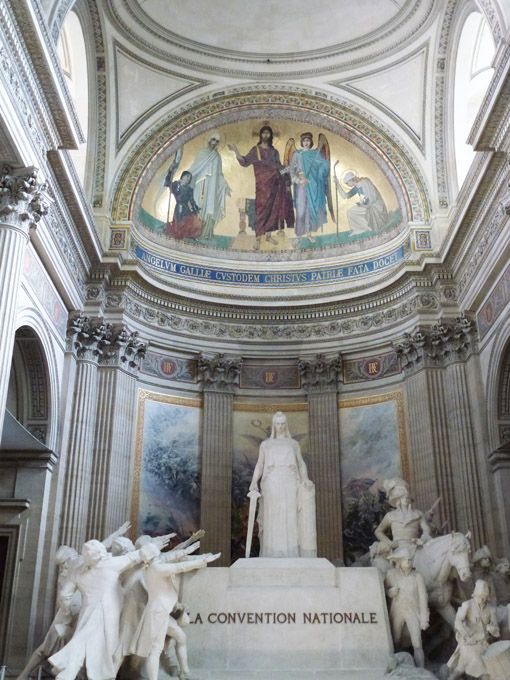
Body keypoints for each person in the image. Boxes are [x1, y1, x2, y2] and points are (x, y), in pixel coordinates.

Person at [48, 539, 147, 680]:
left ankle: (70, 670)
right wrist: (153, 548)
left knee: (82, 641)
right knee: (105, 648)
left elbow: (64, 595)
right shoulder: (111, 564)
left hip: (87, 612)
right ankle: (82, 672)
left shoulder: (78, 572)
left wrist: (66, 613)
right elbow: (136, 556)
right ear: (101, 552)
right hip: (109, 613)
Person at [129, 542, 220, 680]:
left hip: (161, 611)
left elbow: (171, 558)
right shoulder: (156, 568)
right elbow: (179, 567)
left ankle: (184, 672)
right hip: (158, 612)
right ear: (153, 553)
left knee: (181, 637)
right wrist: (203, 561)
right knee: (155, 649)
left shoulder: (151, 566)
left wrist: (188, 549)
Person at [248, 411, 316, 558]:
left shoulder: (293, 444)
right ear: (274, 425)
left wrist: (305, 479)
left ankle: (291, 551)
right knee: (273, 516)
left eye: (283, 423)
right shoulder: (266, 445)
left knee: (290, 515)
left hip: (290, 481)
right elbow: (259, 465)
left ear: (286, 424)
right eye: (278, 423)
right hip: (271, 482)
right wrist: (254, 482)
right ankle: (271, 552)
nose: (280, 426)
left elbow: (301, 464)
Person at [228, 125, 294, 250]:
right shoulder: (255, 150)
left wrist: (288, 169)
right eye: (263, 133)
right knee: (261, 211)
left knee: (273, 210)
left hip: (274, 184)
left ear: (271, 136)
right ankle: (258, 238)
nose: (265, 135)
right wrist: (236, 151)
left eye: (268, 133)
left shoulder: (274, 152)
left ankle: (268, 236)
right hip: (262, 185)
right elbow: (245, 162)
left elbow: (278, 167)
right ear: (260, 135)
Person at [385, 546, 429, 668]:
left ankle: (421, 669)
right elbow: (383, 591)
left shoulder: (417, 576)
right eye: (406, 560)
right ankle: (396, 668)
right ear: (399, 562)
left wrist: (424, 618)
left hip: (413, 611)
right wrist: (390, 592)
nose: (409, 562)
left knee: (417, 642)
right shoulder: (391, 574)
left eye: (410, 560)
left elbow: (423, 598)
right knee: (395, 640)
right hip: (397, 611)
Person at [447, 580, 499, 680]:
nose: (482, 599)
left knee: (489, 668)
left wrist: (493, 629)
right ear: (475, 595)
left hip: (483, 643)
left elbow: (496, 630)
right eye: (480, 596)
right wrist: (466, 635)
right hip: (468, 642)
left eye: (484, 597)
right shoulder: (467, 605)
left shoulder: (490, 609)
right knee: (472, 665)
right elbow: (458, 622)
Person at [288, 132, 330, 244]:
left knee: (311, 210)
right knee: (301, 210)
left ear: (311, 142)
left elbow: (323, 166)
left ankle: (309, 233)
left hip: (313, 185)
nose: (306, 143)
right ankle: (298, 236)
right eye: (304, 141)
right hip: (301, 185)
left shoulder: (315, 154)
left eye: (308, 141)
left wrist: (324, 167)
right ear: (301, 142)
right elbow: (291, 171)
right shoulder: (297, 154)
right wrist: (299, 180)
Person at [188, 131, 231, 241]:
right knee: (199, 204)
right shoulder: (202, 152)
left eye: (217, 141)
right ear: (209, 140)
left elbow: (219, 173)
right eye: (213, 139)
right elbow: (196, 166)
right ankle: (194, 231)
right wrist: (186, 177)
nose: (214, 142)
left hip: (212, 186)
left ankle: (205, 233)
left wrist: (225, 185)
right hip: (202, 182)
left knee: (210, 207)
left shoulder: (217, 157)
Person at [374, 478, 432, 549]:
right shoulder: (390, 516)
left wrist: (425, 536)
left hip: (416, 545)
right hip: (399, 548)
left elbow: (426, 528)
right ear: (398, 499)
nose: (406, 498)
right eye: (403, 497)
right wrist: (389, 542)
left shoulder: (418, 514)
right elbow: (378, 531)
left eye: (407, 497)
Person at [334, 171, 389, 235]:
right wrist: (337, 184)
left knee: (352, 212)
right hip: (366, 205)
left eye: (347, 183)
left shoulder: (365, 182)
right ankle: (359, 229)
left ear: (351, 179)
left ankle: (369, 227)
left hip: (375, 206)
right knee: (350, 212)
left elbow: (373, 196)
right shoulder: (356, 188)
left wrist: (364, 203)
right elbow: (345, 196)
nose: (347, 185)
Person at [165, 171, 204, 240]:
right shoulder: (176, 184)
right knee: (179, 226)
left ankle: (191, 235)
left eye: (190, 178)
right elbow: (168, 183)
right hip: (179, 208)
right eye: (187, 176)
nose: (189, 179)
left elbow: (192, 202)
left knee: (195, 221)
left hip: (186, 209)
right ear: (183, 176)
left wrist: (197, 213)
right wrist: (170, 174)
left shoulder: (189, 189)